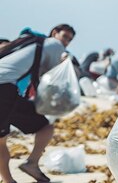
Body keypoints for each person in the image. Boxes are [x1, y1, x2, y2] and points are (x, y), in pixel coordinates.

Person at [0, 23, 76, 183]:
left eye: (70, 40)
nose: (66, 42)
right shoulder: (54, 45)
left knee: (41, 128)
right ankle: (24, 169)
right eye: (65, 37)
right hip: (4, 89)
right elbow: (53, 79)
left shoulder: (31, 42)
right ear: (54, 33)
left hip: (9, 91)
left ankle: (19, 173)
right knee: (3, 140)